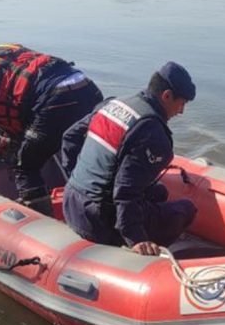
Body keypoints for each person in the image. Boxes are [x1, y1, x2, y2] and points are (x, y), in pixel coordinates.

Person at [0, 43, 103, 215]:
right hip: (88, 90)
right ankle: (98, 208)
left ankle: (43, 224)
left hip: (56, 99)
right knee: (79, 153)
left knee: (25, 166)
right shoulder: (7, 51)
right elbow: (23, 94)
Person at [61, 62, 198, 256]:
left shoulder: (114, 103)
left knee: (159, 192)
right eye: (181, 103)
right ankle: (137, 254)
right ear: (166, 96)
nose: (181, 111)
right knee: (186, 209)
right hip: (98, 221)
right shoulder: (152, 134)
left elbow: (70, 138)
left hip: (72, 202)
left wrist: (77, 181)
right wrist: (136, 238)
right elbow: (126, 191)